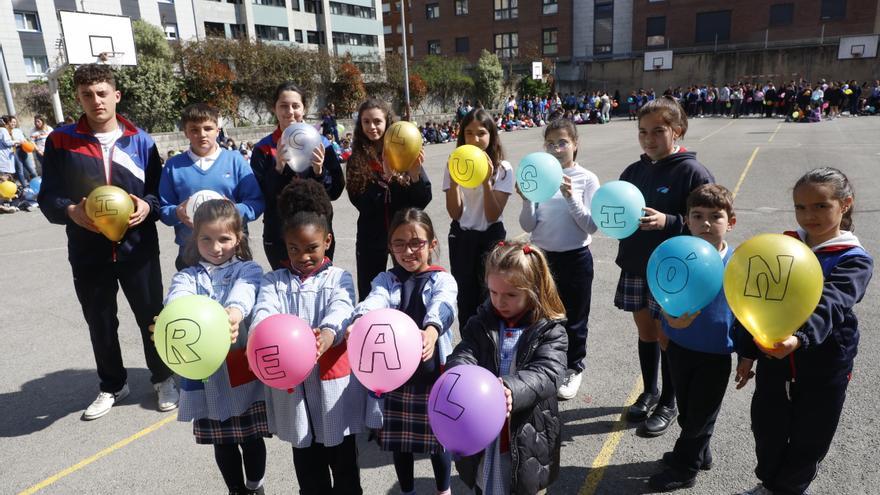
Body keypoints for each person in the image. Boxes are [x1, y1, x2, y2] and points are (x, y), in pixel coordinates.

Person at [37, 63, 177, 420]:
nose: (96, 101)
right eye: (87, 95)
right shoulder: (61, 141)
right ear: (78, 98)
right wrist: (70, 211)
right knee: (100, 321)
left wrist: (148, 205)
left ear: (116, 95)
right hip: (88, 251)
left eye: (102, 93)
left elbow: (158, 194)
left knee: (151, 317)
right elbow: (48, 196)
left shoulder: (141, 141)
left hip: (138, 248)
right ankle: (113, 384)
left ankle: (162, 377)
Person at [734, 167, 873, 495]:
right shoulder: (784, 246)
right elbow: (755, 298)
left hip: (823, 363)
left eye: (821, 206)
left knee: (811, 436)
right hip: (775, 359)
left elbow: (832, 303)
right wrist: (747, 351)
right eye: (801, 207)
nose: (809, 215)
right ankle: (769, 483)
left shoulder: (853, 259)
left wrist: (801, 337)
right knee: (767, 428)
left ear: (845, 204)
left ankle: (789, 488)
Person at [252, 179, 365, 494]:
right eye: (294, 249)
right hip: (294, 390)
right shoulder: (274, 281)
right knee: (308, 469)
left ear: (327, 241)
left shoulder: (338, 277)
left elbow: (343, 309)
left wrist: (328, 333)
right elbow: (263, 311)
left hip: (331, 388)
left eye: (312, 248)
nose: (303, 256)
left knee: (343, 466)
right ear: (284, 245)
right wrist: (261, 332)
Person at [616, 97, 714, 437]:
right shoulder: (633, 170)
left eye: (658, 131)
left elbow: (708, 223)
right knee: (645, 331)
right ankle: (650, 391)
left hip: (672, 270)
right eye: (643, 132)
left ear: (678, 130)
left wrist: (670, 221)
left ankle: (669, 401)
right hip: (636, 263)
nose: (649, 139)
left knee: (667, 336)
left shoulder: (692, 171)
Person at [162, 199, 269, 495]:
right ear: (195, 239)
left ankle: (255, 485)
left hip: (239, 366)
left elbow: (244, 294)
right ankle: (235, 489)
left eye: (224, 239)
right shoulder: (188, 276)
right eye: (206, 239)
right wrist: (168, 318)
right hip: (205, 371)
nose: (216, 247)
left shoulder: (248, 270)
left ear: (238, 238)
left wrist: (233, 313)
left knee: (250, 436)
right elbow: (177, 299)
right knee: (222, 439)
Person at [446, 240, 567, 494]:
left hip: (527, 436)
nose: (499, 301)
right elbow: (465, 352)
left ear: (533, 290)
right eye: (493, 292)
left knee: (521, 483)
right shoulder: (481, 322)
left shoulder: (549, 330)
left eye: (511, 295)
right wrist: (458, 376)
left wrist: (512, 388)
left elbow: (548, 372)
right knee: (485, 483)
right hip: (484, 435)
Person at [351, 208, 457, 495]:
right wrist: (361, 319)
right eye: (399, 244)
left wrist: (432, 330)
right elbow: (375, 299)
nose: (408, 251)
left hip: (431, 375)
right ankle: (407, 490)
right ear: (390, 247)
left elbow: (444, 304)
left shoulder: (442, 279)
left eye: (416, 243)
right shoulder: (387, 280)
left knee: (439, 440)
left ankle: (443, 489)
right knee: (399, 442)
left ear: (432, 244)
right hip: (396, 379)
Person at [647, 184, 739, 491]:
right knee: (687, 410)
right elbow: (664, 293)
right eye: (698, 216)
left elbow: (749, 310)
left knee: (701, 414)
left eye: (716, 216)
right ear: (687, 220)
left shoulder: (737, 264)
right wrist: (664, 326)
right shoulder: (679, 254)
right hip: (678, 347)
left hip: (715, 354)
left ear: (731, 221)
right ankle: (701, 452)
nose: (707, 223)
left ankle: (685, 468)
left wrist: (749, 355)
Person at [519, 118, 599, 401]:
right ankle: (541, 363)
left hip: (576, 257)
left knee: (574, 317)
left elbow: (591, 226)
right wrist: (528, 199)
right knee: (540, 314)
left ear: (575, 145)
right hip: (541, 258)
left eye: (562, 142)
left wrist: (571, 198)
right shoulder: (539, 174)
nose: (556, 149)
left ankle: (573, 367)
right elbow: (528, 225)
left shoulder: (586, 178)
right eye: (550, 143)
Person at [250, 82, 345, 269]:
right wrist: (278, 168)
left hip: (317, 234)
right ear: (274, 108)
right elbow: (261, 196)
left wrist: (319, 172)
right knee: (284, 291)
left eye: (295, 106)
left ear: (304, 108)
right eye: (283, 106)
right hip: (279, 236)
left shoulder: (322, 144)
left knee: (320, 288)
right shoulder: (263, 148)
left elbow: (335, 191)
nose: (290, 112)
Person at [159, 103, 264, 270]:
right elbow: (164, 209)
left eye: (208, 128)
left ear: (218, 130)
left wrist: (234, 211)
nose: (202, 134)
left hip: (233, 250)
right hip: (191, 251)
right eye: (194, 130)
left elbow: (256, 203)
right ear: (185, 132)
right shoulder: (173, 166)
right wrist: (176, 213)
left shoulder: (235, 161)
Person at [346, 98, 431, 300]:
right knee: (370, 291)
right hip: (370, 237)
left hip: (403, 234)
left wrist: (415, 175)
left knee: (408, 288)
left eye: (377, 121)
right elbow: (361, 202)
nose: (372, 127)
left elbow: (421, 201)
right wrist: (386, 177)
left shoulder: (403, 151)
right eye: (366, 122)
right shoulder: (357, 159)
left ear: (387, 123)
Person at [444, 108, 513, 327]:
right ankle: (470, 348)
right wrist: (454, 181)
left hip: (490, 239)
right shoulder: (454, 164)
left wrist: (486, 182)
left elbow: (492, 215)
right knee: (465, 297)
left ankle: (492, 347)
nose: (475, 139)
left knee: (491, 295)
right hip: (462, 238)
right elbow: (455, 213)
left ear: (491, 136)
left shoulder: (503, 169)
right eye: (469, 133)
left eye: (481, 133)